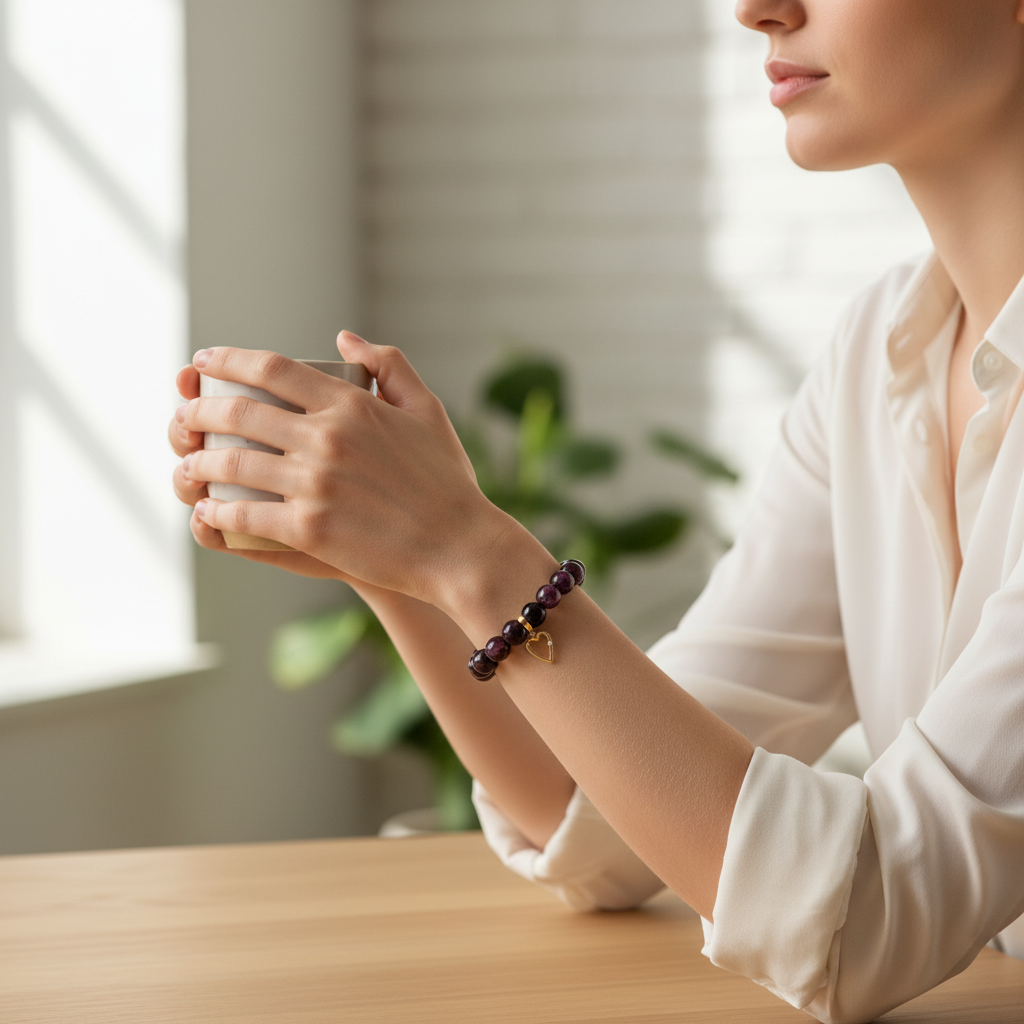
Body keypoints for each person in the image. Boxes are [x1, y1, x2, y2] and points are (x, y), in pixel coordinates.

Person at [167, 1, 1024, 1020]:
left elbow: (861, 920)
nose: (757, 9)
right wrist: (398, 563)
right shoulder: (881, 348)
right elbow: (600, 817)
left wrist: (465, 550)